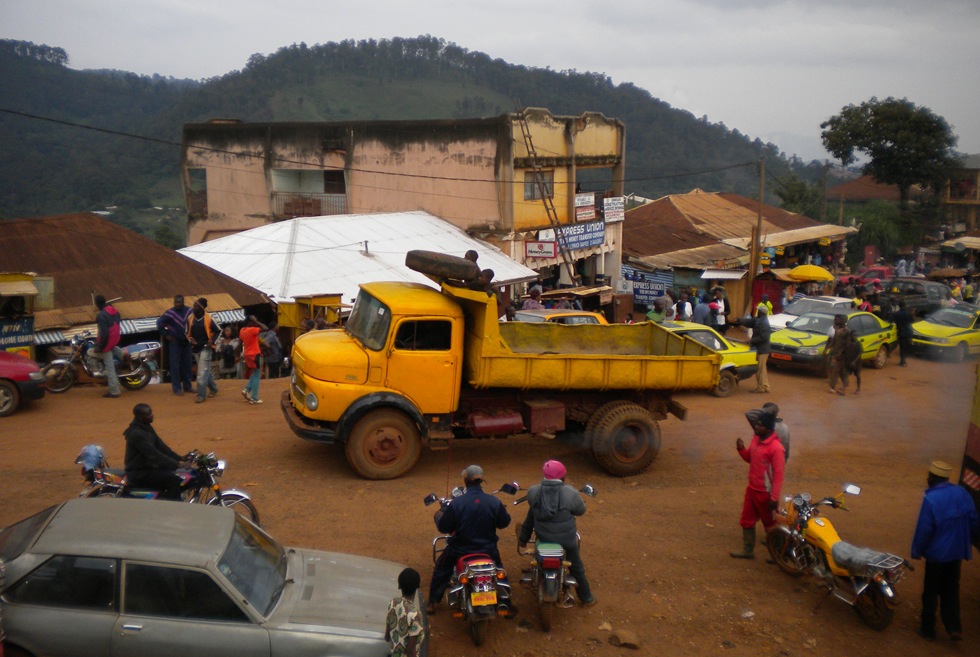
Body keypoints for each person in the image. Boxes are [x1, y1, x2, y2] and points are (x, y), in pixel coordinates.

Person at [427, 465, 513, 615]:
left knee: (442, 568)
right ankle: (506, 602)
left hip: (460, 549)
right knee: (499, 568)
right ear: (481, 480)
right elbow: (504, 522)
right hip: (488, 549)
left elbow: (444, 527)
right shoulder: (493, 501)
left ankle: (433, 603)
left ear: (465, 481)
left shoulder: (457, 503)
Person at [910, 460, 978, 641]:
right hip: (956, 552)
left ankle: (928, 628)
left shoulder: (931, 499)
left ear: (932, 478)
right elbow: (973, 520)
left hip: (937, 555)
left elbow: (924, 530)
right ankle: (953, 627)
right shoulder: (962, 493)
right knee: (951, 588)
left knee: (931, 591)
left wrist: (917, 551)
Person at [518, 460, 596, 607]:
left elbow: (530, 519)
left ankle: (537, 572)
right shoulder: (571, 493)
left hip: (543, 538)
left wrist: (523, 539)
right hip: (566, 540)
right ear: (563, 477)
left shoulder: (533, 492)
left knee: (533, 514)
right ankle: (587, 598)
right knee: (576, 567)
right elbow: (580, 511)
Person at [729, 409, 785, 559]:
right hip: (752, 489)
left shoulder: (776, 448)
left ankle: (779, 555)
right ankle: (748, 550)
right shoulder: (756, 439)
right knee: (746, 519)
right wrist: (741, 449)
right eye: (757, 424)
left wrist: (774, 497)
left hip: (765, 493)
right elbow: (750, 458)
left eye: (760, 425)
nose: (756, 427)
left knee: (770, 524)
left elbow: (779, 476)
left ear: (768, 429)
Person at [124, 403, 185, 500]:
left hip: (148, 468)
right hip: (139, 473)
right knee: (174, 480)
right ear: (140, 417)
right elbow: (154, 455)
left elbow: (161, 447)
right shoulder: (137, 434)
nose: (152, 415)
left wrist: (180, 458)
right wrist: (177, 464)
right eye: (148, 414)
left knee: (172, 473)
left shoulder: (146, 426)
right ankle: (173, 507)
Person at [157, 295, 193, 396]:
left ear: (183, 302)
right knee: (175, 366)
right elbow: (159, 323)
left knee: (187, 365)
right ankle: (177, 388)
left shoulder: (190, 311)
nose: (177, 304)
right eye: (175, 302)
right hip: (175, 343)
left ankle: (187, 386)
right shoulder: (170, 313)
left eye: (179, 302)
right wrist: (166, 335)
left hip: (187, 342)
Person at [186, 297, 220, 403]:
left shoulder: (209, 318)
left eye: (196, 306)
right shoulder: (190, 318)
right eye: (193, 306)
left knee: (201, 373)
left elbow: (218, 331)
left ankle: (201, 395)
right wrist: (190, 340)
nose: (193, 308)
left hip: (206, 348)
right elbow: (187, 332)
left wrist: (211, 342)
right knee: (204, 370)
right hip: (195, 348)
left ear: (202, 308)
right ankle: (214, 388)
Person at [386, 567, 425, 657]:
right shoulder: (415, 615)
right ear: (417, 587)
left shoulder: (393, 603)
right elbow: (411, 652)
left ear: (399, 586)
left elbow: (387, 637)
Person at [93, 294, 123, 399]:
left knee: (109, 368)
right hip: (115, 338)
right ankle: (124, 357)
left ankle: (114, 391)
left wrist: (100, 346)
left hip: (107, 341)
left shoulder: (101, 315)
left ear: (97, 304)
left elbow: (104, 334)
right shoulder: (113, 310)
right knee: (113, 348)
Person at [239, 315, 267, 404]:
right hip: (255, 354)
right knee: (257, 375)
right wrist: (256, 321)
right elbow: (265, 328)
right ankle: (254, 397)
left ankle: (246, 389)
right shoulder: (252, 330)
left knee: (255, 373)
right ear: (251, 322)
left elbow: (240, 342)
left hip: (247, 354)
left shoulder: (242, 330)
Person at [825, 314, 852, 395]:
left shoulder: (847, 331)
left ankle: (835, 387)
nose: (835, 321)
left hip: (843, 354)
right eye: (835, 319)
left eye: (837, 320)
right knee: (839, 370)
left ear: (843, 321)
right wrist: (827, 348)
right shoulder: (837, 329)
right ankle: (842, 385)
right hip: (836, 353)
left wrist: (843, 353)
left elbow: (848, 344)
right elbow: (834, 341)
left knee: (837, 370)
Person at [747, 305, 771, 393]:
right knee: (762, 369)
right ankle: (765, 386)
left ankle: (761, 387)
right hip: (763, 349)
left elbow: (763, 337)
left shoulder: (764, 323)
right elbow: (750, 322)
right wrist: (740, 320)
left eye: (758, 310)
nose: (757, 312)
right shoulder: (761, 320)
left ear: (761, 312)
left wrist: (751, 341)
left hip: (762, 349)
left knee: (760, 369)